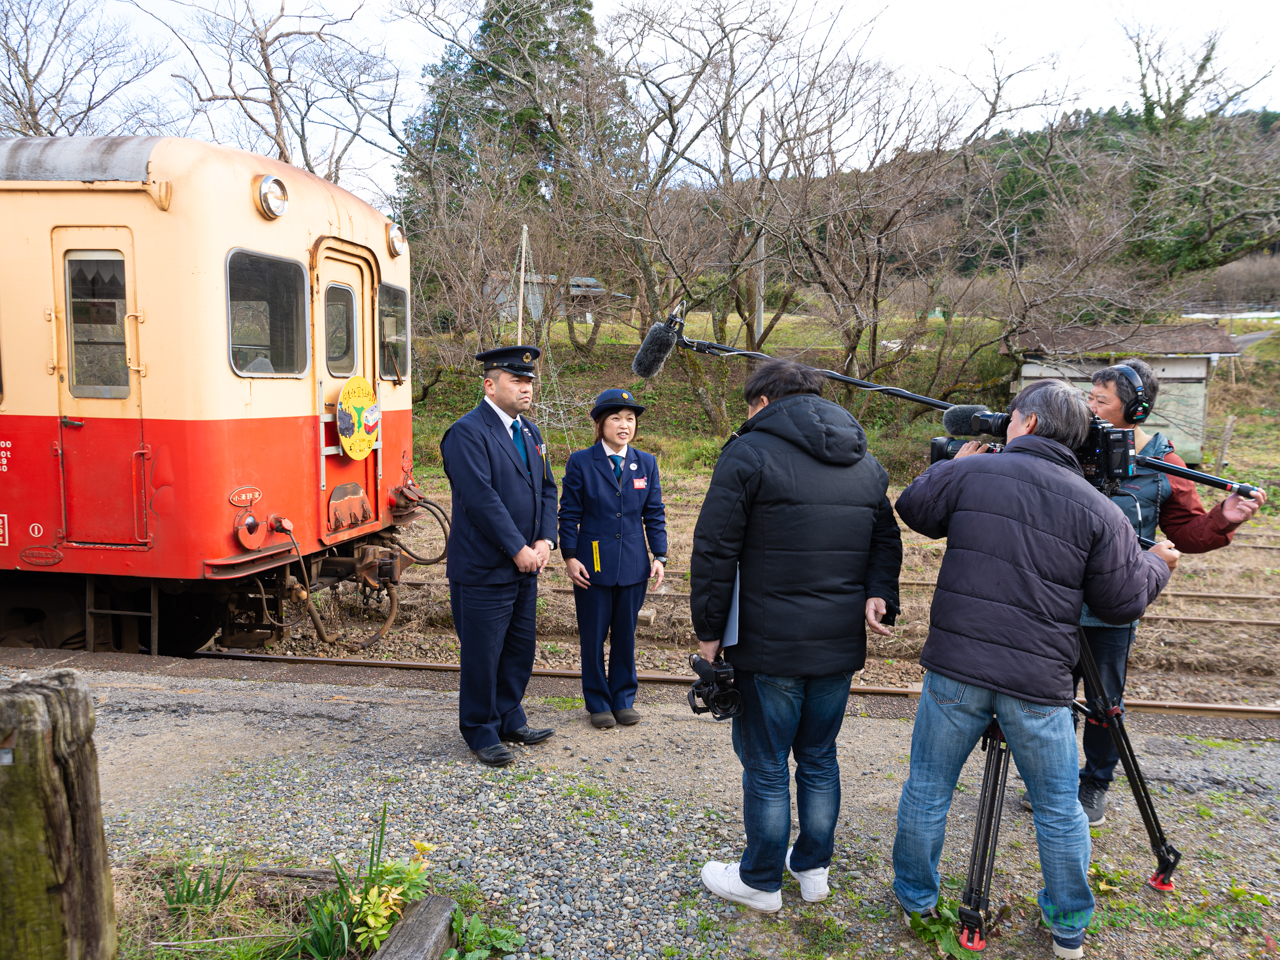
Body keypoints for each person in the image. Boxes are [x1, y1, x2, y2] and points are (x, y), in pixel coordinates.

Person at [892, 378, 1179, 960]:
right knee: (1057, 806)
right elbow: (1122, 601)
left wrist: (955, 465)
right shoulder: (1099, 507)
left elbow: (914, 508)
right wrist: (1157, 563)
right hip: (1040, 684)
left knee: (928, 788)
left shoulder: (973, 473)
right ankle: (1068, 926)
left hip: (956, 670)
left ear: (1023, 422)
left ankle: (917, 899)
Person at [689, 359, 903, 913]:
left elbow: (715, 550)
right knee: (818, 756)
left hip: (768, 642)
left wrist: (709, 633)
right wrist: (880, 591)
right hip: (836, 644)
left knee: (765, 763)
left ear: (762, 401)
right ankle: (812, 869)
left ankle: (759, 879)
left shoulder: (749, 452)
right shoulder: (864, 461)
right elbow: (886, 539)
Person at [1064, 359, 1266, 823]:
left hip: (1113, 603)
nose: (1090, 407)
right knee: (1052, 697)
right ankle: (1053, 780)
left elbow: (1187, 535)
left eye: (1101, 400)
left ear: (1135, 411)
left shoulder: (1163, 463)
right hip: (1054, 596)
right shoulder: (1069, 445)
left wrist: (1224, 519)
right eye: (1089, 397)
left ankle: (1095, 783)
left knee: (1103, 702)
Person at [439, 346, 560, 767]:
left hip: (528, 564)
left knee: (518, 650)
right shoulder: (467, 432)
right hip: (485, 568)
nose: (526, 387)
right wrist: (518, 548)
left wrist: (546, 540)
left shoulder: (531, 432)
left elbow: (547, 489)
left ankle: (509, 716)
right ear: (490, 385)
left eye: (529, 381)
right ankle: (480, 729)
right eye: (517, 380)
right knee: (482, 654)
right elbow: (481, 499)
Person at [557, 389, 669, 729]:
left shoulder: (645, 462)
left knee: (625, 635)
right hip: (592, 563)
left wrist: (660, 554)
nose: (624, 425)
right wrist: (570, 556)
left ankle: (623, 700)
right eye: (616, 418)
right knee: (592, 636)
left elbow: (654, 513)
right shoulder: (581, 461)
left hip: (635, 563)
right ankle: (598, 702)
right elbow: (568, 514)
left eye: (630, 419)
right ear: (600, 423)